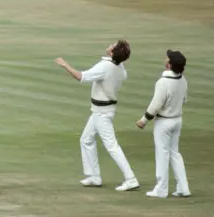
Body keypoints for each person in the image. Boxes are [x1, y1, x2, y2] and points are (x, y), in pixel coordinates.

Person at [55, 40, 139, 192]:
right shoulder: (119, 66)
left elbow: (81, 77)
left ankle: (130, 178)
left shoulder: (106, 66)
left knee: (111, 145)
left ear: (113, 53)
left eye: (113, 45)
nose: (110, 45)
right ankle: (94, 177)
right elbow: (123, 75)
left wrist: (65, 65)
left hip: (102, 112)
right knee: (86, 139)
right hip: (100, 110)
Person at [136, 49, 190, 198]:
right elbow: (184, 100)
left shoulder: (163, 82)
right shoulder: (183, 80)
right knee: (175, 154)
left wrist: (143, 120)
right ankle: (183, 188)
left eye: (168, 58)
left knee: (162, 155)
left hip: (164, 122)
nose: (165, 58)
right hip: (177, 120)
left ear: (169, 64)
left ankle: (161, 189)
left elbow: (155, 105)